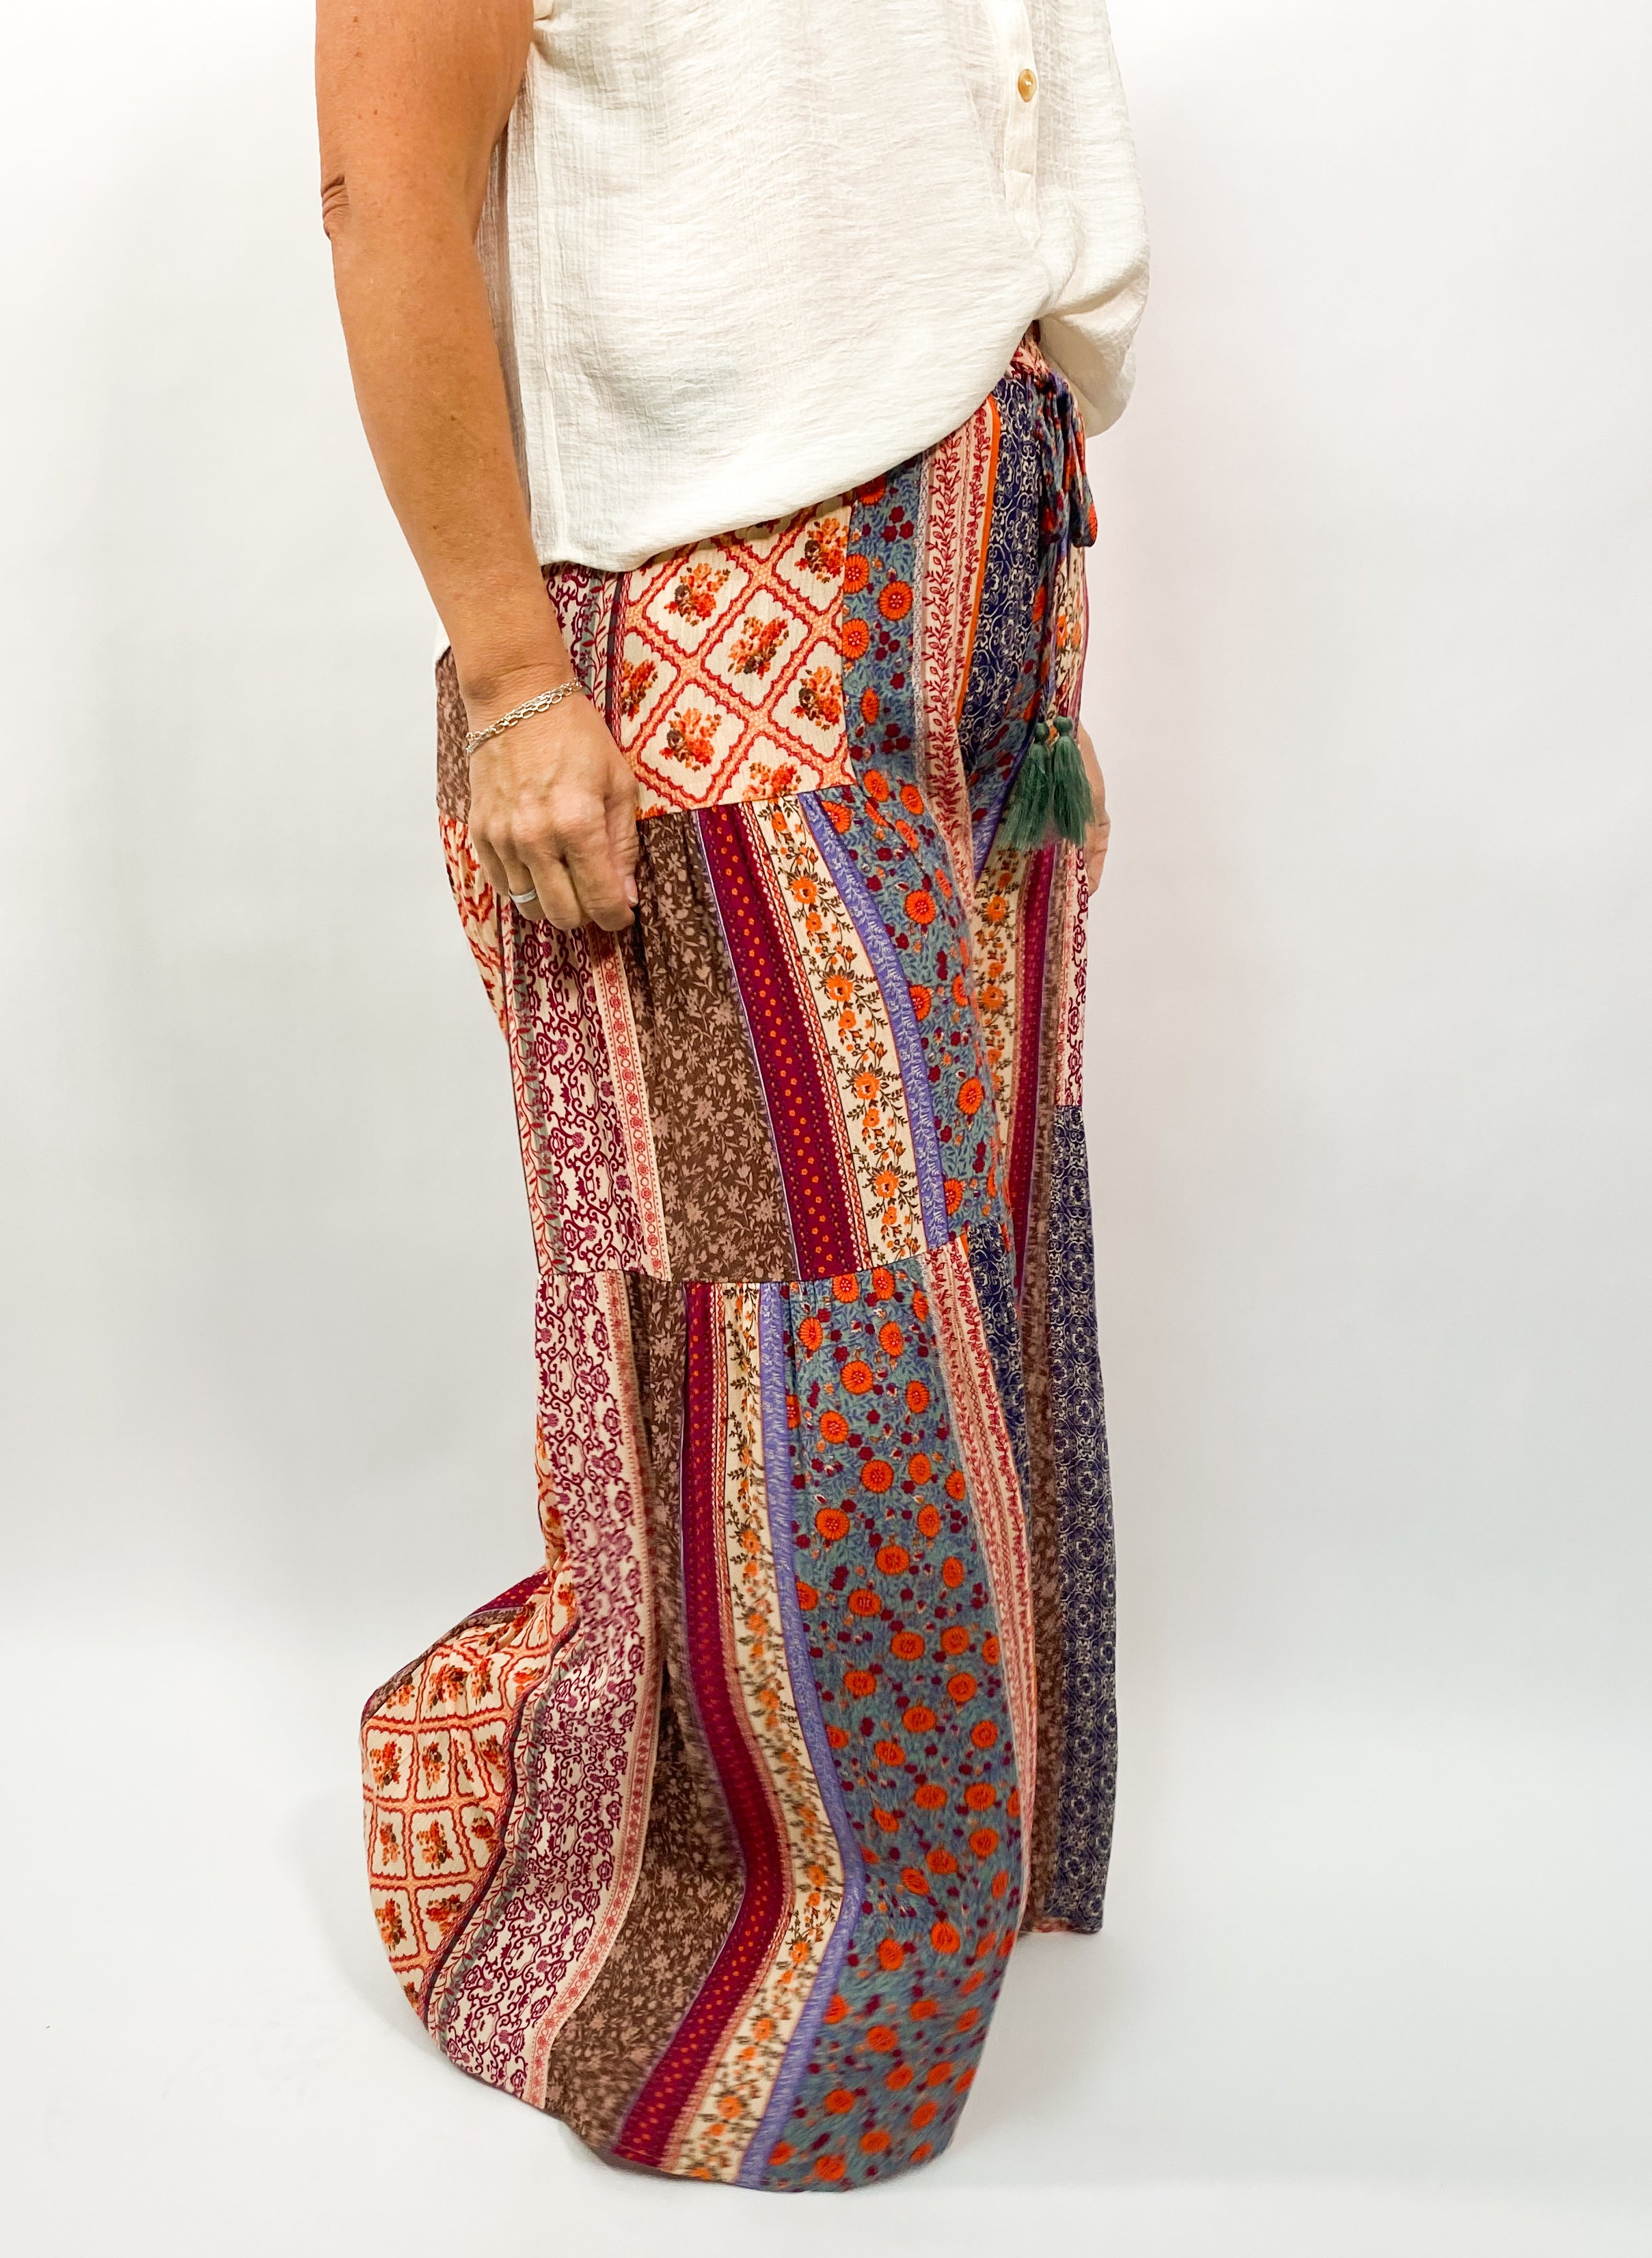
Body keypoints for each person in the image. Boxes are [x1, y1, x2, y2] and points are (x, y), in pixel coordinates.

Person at [318, 0, 1147, 2192]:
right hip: (712, 592)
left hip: (981, 563)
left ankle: (942, 1873)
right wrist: (513, 681)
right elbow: (388, 196)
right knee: (785, 1317)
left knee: (964, 1230)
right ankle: (712, 1960)